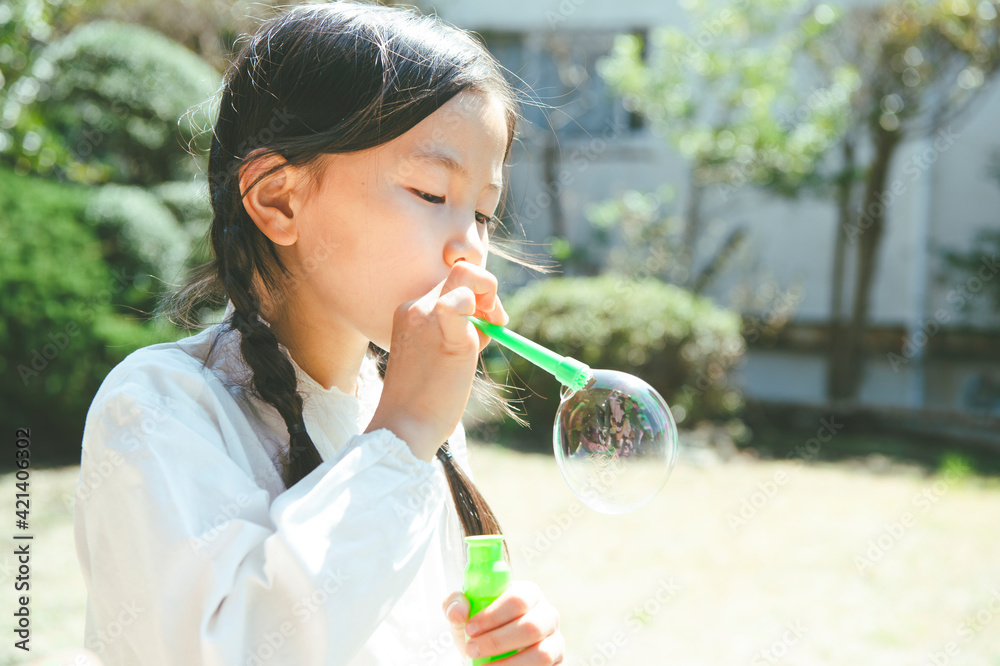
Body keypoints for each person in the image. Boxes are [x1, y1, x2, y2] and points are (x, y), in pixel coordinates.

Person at [72, 2, 565, 664]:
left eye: (482, 213)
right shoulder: (159, 409)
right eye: (429, 193)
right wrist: (401, 435)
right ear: (279, 199)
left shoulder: (425, 426)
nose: (467, 250)